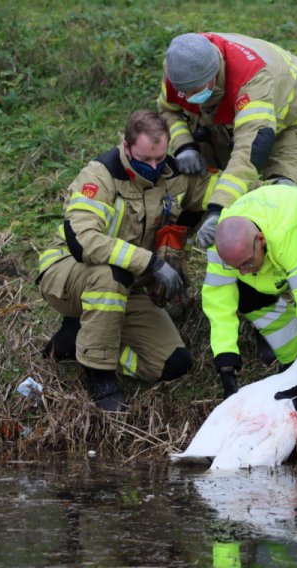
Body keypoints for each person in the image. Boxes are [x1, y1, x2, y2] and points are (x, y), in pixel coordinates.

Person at [37, 110, 217, 411]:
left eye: (160, 159)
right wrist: (153, 264)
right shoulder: (100, 176)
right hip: (68, 274)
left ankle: (78, 340)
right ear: (127, 145)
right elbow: (83, 242)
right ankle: (99, 374)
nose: (153, 168)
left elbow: (227, 187)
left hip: (126, 289)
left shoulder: (172, 175)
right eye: (145, 160)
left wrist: (217, 204)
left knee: (173, 364)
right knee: (110, 275)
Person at [157, 32, 297, 249]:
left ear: (213, 73)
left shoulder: (252, 80)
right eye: (184, 91)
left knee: (278, 194)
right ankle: (194, 219)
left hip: (293, 124)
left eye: (195, 91)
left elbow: (251, 150)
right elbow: (168, 110)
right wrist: (184, 146)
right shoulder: (178, 64)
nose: (188, 97)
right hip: (226, 123)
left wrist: (219, 210)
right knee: (207, 174)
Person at [201, 185, 297, 418]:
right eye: (237, 268)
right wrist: (226, 366)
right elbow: (219, 306)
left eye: (247, 263)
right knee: (246, 297)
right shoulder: (222, 246)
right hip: (273, 254)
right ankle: (291, 360)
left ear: (261, 240)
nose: (244, 272)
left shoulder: (292, 232)